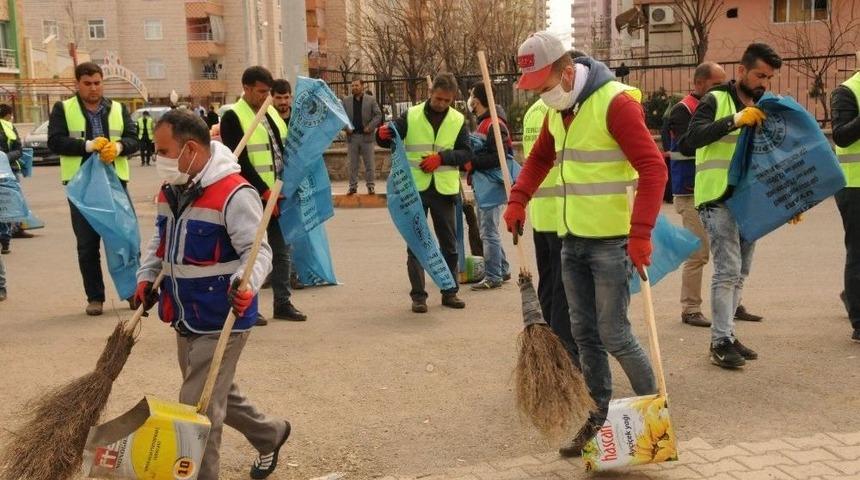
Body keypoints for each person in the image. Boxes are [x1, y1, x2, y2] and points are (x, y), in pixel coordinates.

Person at [503, 31, 665, 456]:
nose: (540, 95)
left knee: (615, 334)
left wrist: (641, 232)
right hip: (571, 240)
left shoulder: (615, 103)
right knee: (583, 334)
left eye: (543, 84)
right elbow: (540, 158)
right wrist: (518, 198)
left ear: (566, 69)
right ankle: (598, 419)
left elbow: (653, 169)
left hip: (612, 244)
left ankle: (651, 422)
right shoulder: (560, 111)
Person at [134, 109, 290, 480]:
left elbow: (259, 251)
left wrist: (246, 284)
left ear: (189, 149)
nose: (159, 159)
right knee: (216, 392)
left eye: (163, 150)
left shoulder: (234, 194)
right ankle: (271, 434)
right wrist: (147, 275)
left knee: (198, 410)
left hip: (224, 317)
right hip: (185, 314)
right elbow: (161, 239)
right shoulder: (171, 188)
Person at [686, 43, 783, 368]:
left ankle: (727, 332)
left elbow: (770, 154)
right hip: (717, 198)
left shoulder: (763, 104)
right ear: (741, 71)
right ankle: (720, 342)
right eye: (759, 75)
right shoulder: (715, 100)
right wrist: (735, 120)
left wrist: (786, 200)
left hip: (750, 200)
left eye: (768, 77)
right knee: (727, 269)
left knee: (741, 271)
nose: (763, 82)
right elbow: (691, 139)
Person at [47, 62, 139, 316]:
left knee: (123, 238)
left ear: (102, 82)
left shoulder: (118, 109)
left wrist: (119, 148)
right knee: (87, 245)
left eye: (97, 82)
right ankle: (95, 298)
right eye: (87, 83)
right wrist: (86, 146)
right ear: (78, 84)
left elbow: (135, 140)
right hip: (81, 187)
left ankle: (132, 292)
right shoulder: (63, 109)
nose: (93, 88)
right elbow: (55, 141)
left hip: (115, 183)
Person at [376, 73, 473, 313]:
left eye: (446, 101)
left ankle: (449, 292)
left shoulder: (459, 120)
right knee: (416, 244)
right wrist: (381, 136)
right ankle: (418, 296)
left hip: (443, 190)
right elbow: (391, 136)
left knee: (449, 245)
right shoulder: (411, 115)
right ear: (430, 93)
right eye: (438, 99)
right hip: (415, 190)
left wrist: (441, 158)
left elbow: (466, 153)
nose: (441, 104)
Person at [219, 67, 306, 324]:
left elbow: (280, 152)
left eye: (268, 91)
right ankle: (247, 306)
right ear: (246, 88)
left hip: (276, 195)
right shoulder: (233, 116)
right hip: (250, 197)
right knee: (251, 253)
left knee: (281, 251)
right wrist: (263, 190)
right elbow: (238, 160)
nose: (265, 96)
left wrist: (281, 189)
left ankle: (282, 303)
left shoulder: (270, 112)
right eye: (261, 92)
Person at [666, 62, 726, 328]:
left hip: (717, 189)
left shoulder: (719, 106)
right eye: (716, 84)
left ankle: (731, 303)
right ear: (699, 83)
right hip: (690, 192)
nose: (722, 88)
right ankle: (690, 309)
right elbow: (686, 146)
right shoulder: (682, 111)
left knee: (728, 251)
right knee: (699, 253)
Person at [465, 81, 511, 290]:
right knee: (488, 230)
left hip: (491, 186)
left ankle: (494, 276)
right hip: (483, 184)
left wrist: (473, 162)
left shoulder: (495, 124)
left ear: (478, 99)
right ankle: (502, 267)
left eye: (472, 95)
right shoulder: (485, 123)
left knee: (488, 231)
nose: (470, 99)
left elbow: (498, 157)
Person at [830, 67, 860, 343]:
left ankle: (851, 294)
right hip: (854, 186)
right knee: (858, 252)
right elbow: (841, 135)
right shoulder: (846, 92)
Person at [342, 78, 382, 195]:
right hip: (352, 137)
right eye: (352, 85)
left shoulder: (371, 100)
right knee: (352, 164)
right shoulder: (346, 101)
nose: (354, 88)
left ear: (362, 86)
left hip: (366, 137)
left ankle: (370, 186)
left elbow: (378, 115)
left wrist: (370, 127)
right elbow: (341, 116)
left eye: (356, 85)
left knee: (369, 164)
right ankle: (352, 187)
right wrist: (346, 127)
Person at [0, 103, 26, 253]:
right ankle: (6, 238)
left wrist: (3, 158)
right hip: (10, 170)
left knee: (8, 205)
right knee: (7, 205)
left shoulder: (9, 127)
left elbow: (18, 149)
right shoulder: (9, 126)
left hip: (9, 170)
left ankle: (6, 239)